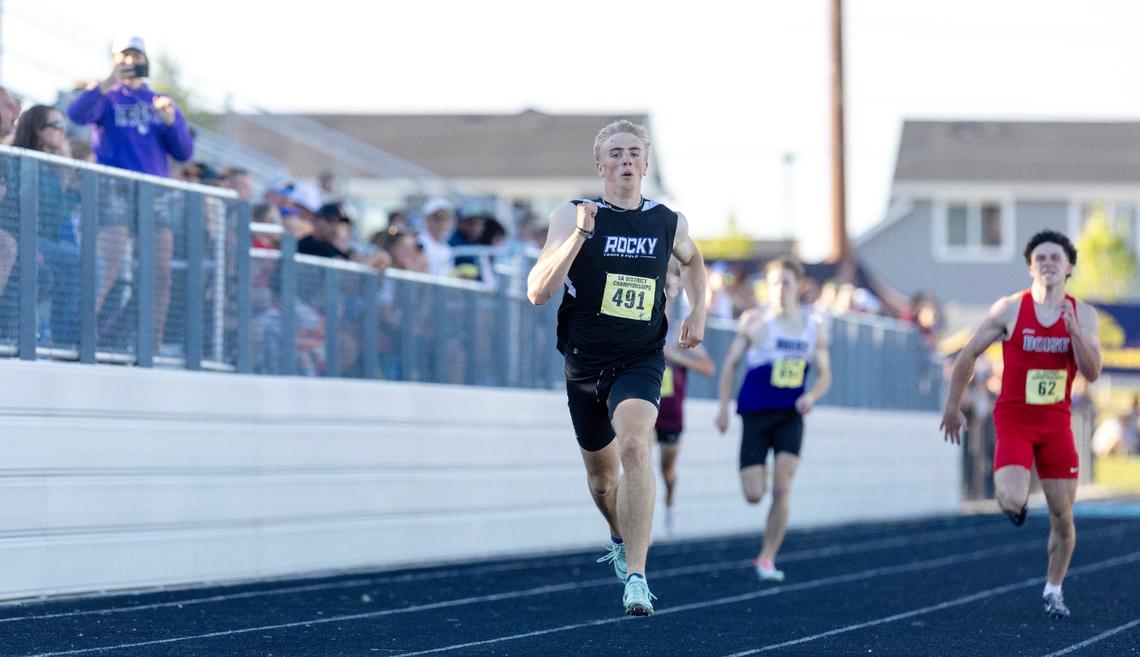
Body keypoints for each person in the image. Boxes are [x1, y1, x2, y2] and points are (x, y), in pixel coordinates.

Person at [526, 119, 707, 616]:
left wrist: (698, 311)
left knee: (633, 444)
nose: (626, 160)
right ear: (600, 165)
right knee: (603, 482)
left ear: (645, 165)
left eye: (634, 152)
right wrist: (580, 237)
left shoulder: (667, 221)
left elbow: (694, 263)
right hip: (584, 362)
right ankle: (617, 533)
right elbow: (538, 291)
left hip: (641, 356)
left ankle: (637, 577)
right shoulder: (574, 214)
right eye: (616, 153)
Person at [940, 230, 1101, 619]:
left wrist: (1074, 331)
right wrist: (952, 406)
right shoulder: (1010, 309)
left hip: (1056, 424)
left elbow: (1092, 372)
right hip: (1015, 419)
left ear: (1069, 268)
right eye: (1040, 258)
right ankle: (1016, 503)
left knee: (1063, 518)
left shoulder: (1084, 313)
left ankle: (1053, 589)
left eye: (1055, 258)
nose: (1048, 263)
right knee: (1011, 498)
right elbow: (968, 355)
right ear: (1031, 266)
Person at [67, 36, 194, 349]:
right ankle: (82, 334)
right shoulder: (106, 96)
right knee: (108, 263)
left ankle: (153, 342)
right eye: (124, 56)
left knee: (160, 271)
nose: (130, 62)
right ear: (114, 60)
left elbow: (184, 151)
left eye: (135, 56)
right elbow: (76, 114)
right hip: (115, 187)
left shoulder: (159, 101)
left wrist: (172, 120)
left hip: (156, 192)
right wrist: (108, 81)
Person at [714, 257, 832, 582]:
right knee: (754, 494)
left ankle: (767, 557)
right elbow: (730, 366)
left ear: (798, 286)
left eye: (786, 283)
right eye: (774, 283)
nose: (780, 289)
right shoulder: (754, 320)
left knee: (782, 489)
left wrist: (812, 395)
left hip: (790, 415)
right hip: (754, 414)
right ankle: (761, 476)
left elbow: (825, 375)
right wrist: (723, 407)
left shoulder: (813, 327)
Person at [656, 267, 715, 536]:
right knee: (637, 458)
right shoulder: (638, 325)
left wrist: (674, 356)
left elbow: (708, 367)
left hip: (671, 410)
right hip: (643, 405)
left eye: (668, 289)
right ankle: (637, 522)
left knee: (667, 468)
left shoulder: (679, 330)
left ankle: (670, 502)